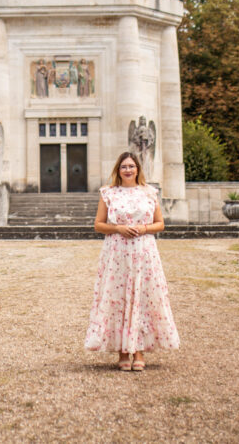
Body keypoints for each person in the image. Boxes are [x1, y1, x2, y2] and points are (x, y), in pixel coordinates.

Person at [85, 151, 180, 370]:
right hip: (117, 253)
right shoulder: (108, 193)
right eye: (124, 166)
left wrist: (143, 228)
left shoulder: (149, 192)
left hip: (144, 252)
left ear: (138, 169)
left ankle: (138, 351)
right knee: (118, 299)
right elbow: (98, 225)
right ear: (118, 170)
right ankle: (122, 352)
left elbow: (160, 224)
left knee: (142, 298)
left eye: (131, 166)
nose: (128, 170)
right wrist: (118, 228)